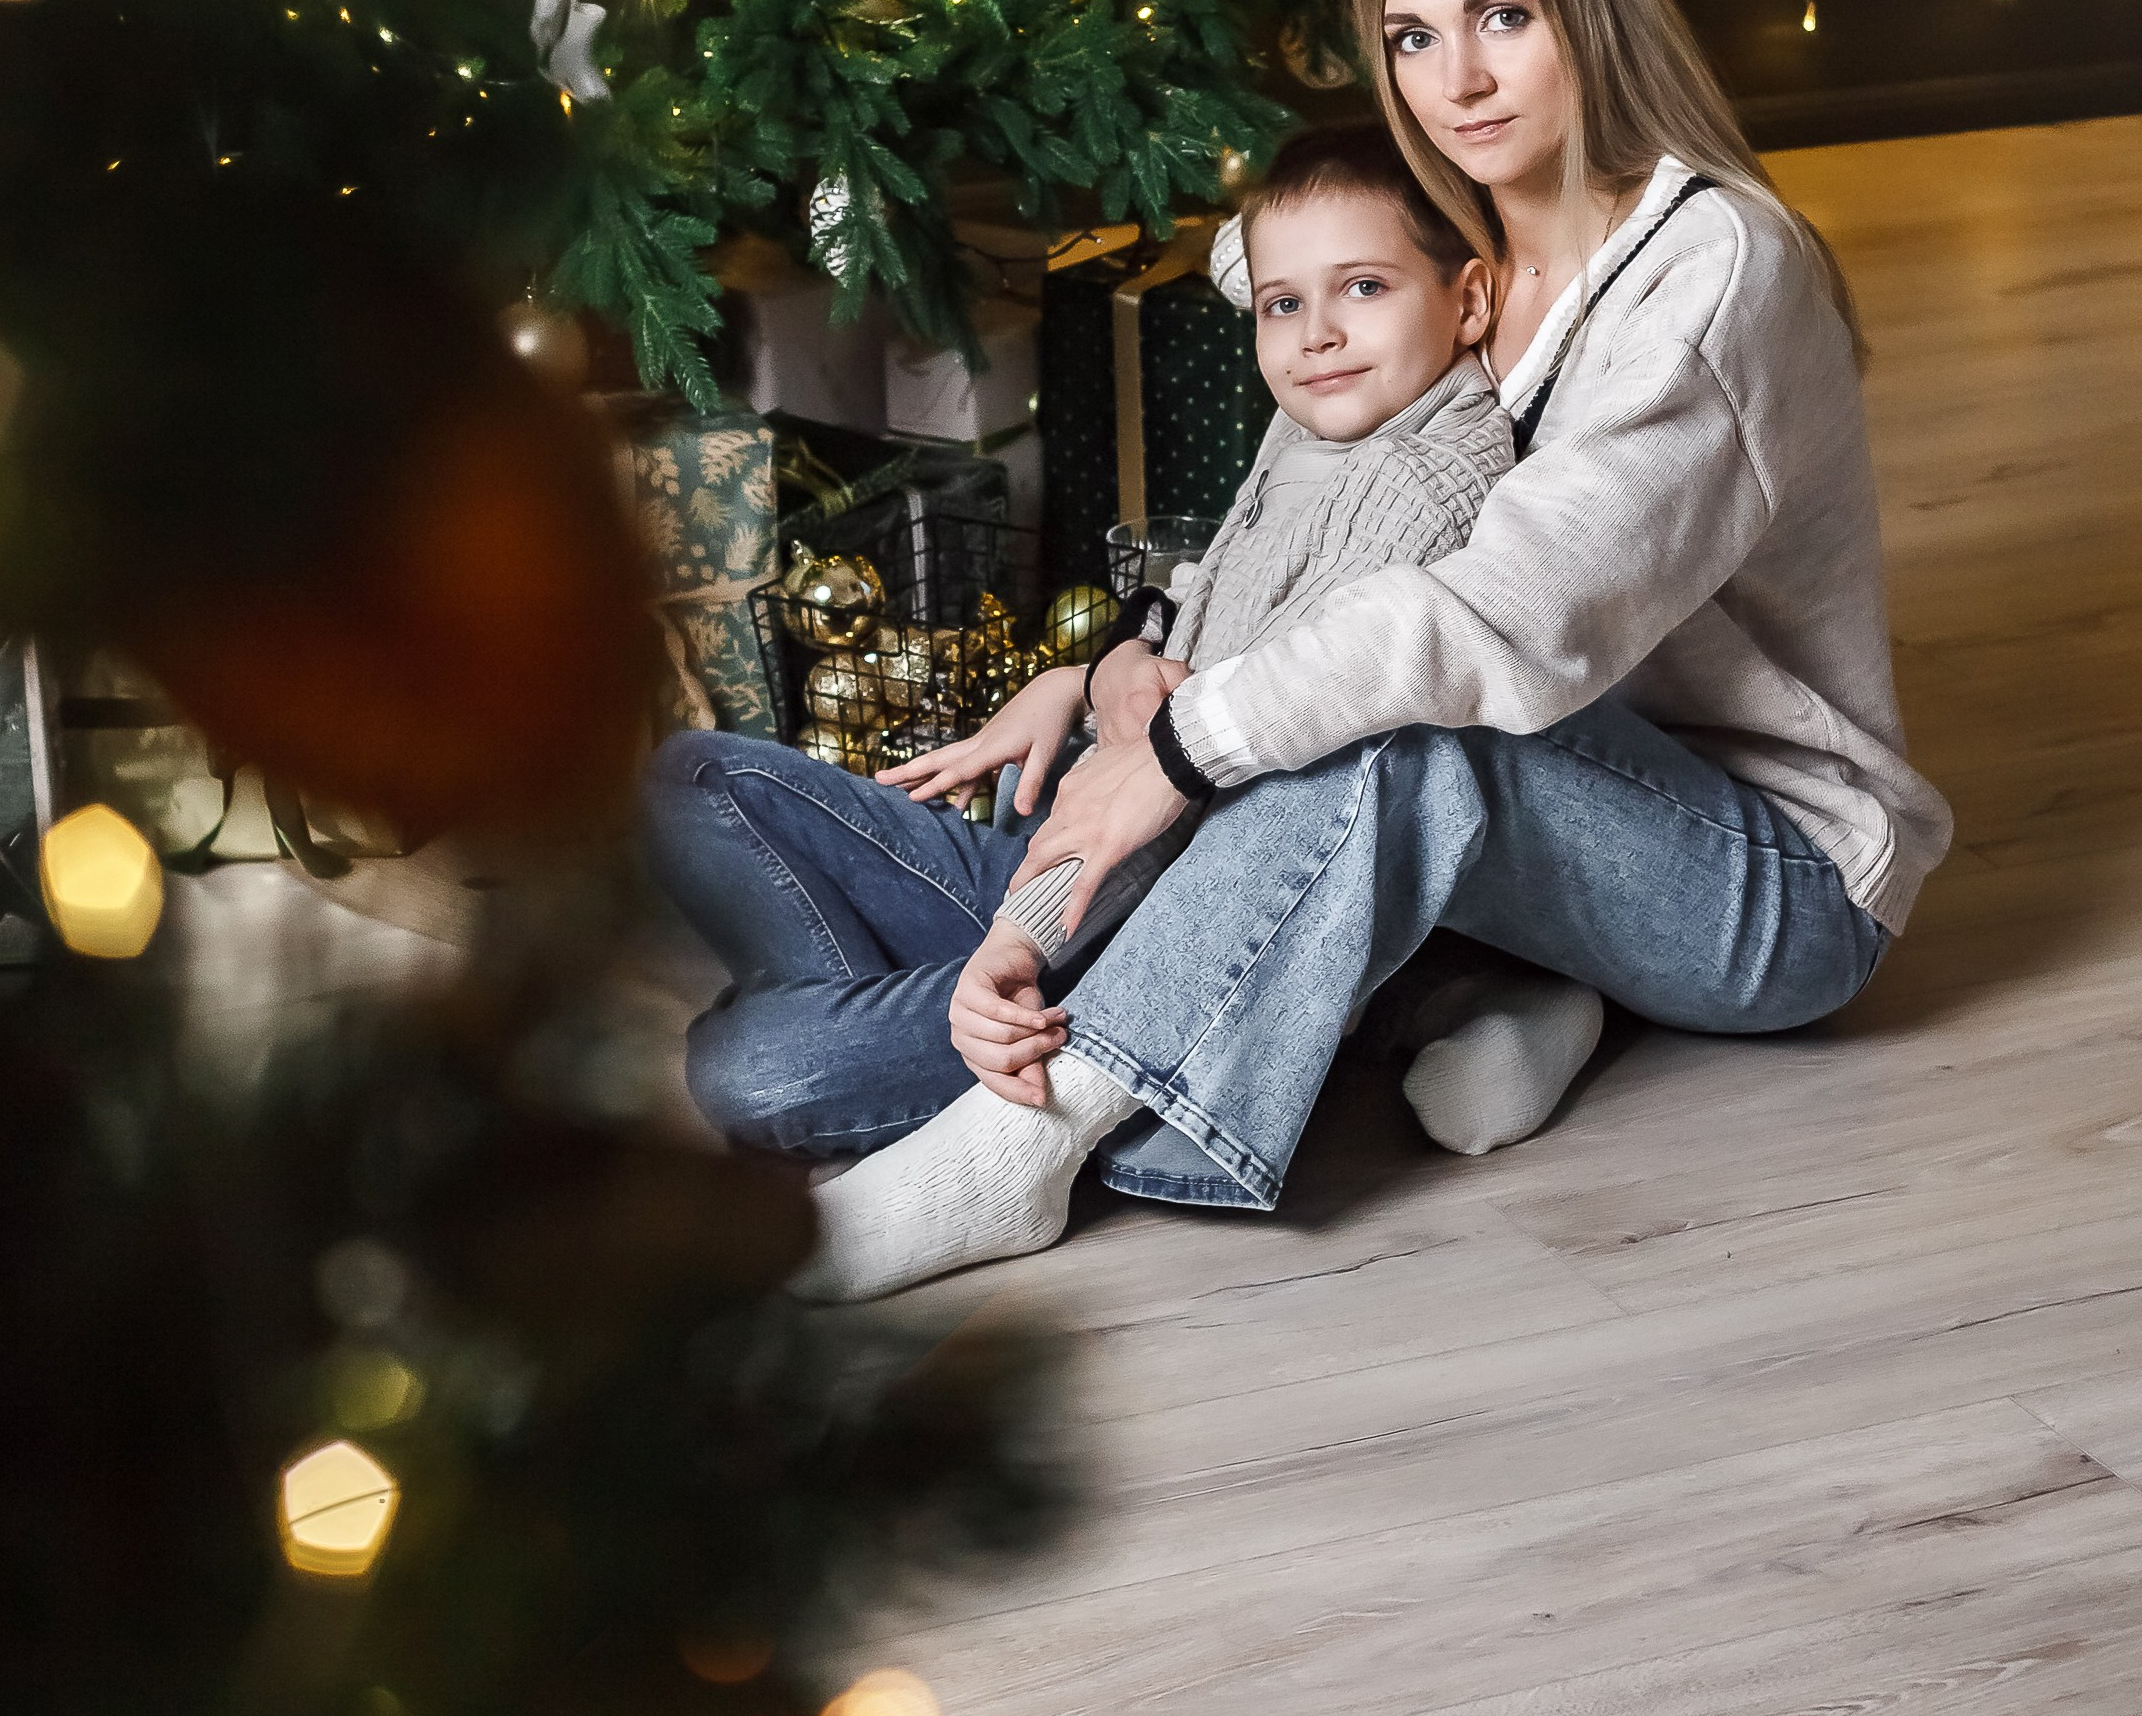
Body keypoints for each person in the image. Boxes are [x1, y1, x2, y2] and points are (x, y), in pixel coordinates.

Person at [789, 0, 1952, 1301]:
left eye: (1504, 19)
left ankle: (1016, 1154)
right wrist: (1112, 665)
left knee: (1394, 725)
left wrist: (1178, 745)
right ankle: (1517, 987)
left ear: (1591, 13)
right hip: (1569, 807)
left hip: (1772, 874)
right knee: (1337, 694)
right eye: (1411, 36)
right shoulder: (1457, 237)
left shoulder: (1712, 272)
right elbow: (1266, 263)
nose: (1456, 81)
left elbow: (1503, 620)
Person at [646, 122, 1530, 1194]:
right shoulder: (1324, 421)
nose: (1314, 335)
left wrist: (1011, 943)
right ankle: (950, 1028)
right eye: (1281, 304)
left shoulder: (1416, 484)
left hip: (1138, 926)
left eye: (1362, 288)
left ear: (1471, 301)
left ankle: (1028, 1050)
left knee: (744, 1069)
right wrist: (1097, 668)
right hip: (1064, 862)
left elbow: (1213, 787)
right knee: (686, 772)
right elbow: (1205, 616)